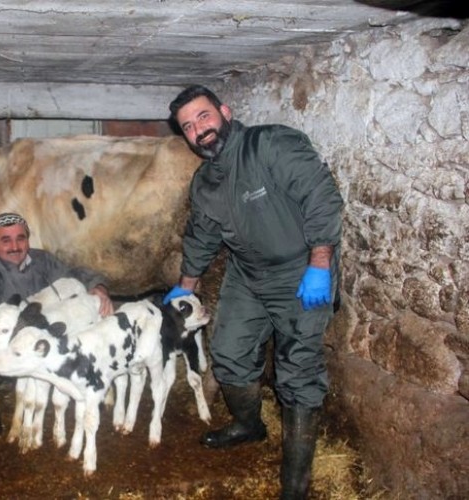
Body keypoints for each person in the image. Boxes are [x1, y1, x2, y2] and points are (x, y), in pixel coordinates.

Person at [164, 85, 342, 499]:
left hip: (301, 270)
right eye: (188, 127)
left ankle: (294, 487)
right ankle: (250, 424)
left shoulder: (270, 144)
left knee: (297, 370)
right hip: (247, 274)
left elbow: (321, 197)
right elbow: (202, 237)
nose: (199, 130)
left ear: (225, 112)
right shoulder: (206, 181)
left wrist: (320, 262)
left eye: (203, 117)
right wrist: (184, 290)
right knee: (227, 349)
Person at [0, 212, 114, 435]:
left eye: (20, 238)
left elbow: (72, 275)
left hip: (37, 332)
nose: (15, 246)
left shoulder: (42, 260)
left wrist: (97, 287)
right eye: (5, 240)